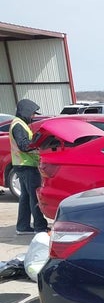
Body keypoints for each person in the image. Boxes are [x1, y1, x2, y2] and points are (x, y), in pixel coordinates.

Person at [9, 98, 48, 235]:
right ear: (26, 111)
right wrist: (39, 142)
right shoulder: (19, 125)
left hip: (22, 164)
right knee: (34, 196)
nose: (33, 116)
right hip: (27, 165)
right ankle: (39, 226)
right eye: (32, 113)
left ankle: (22, 226)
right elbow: (24, 146)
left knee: (25, 197)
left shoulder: (18, 123)